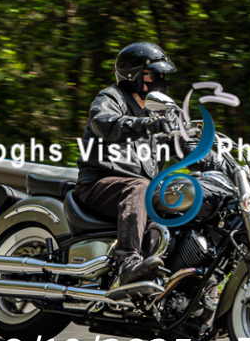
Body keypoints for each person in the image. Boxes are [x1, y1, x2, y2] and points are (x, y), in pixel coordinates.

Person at [74, 42, 225, 287]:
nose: (161, 80)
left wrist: (222, 164)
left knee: (188, 198)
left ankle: (188, 281)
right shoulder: (110, 98)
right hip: (98, 184)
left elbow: (185, 147)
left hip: (141, 189)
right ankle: (127, 262)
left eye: (163, 75)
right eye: (154, 75)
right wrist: (143, 125)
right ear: (132, 76)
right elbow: (104, 123)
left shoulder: (162, 110)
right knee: (140, 187)